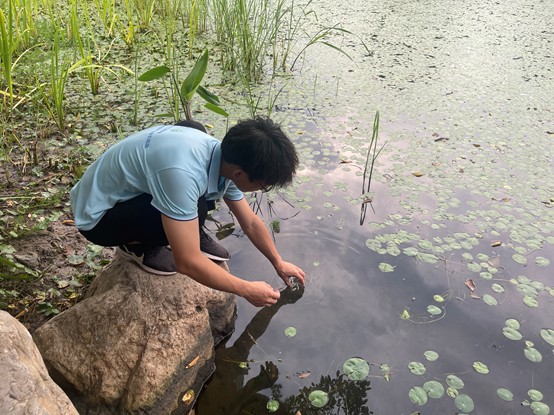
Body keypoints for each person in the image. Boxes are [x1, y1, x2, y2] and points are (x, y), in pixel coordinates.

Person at [69, 117, 305, 307]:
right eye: (263, 185)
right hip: (99, 219)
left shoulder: (225, 157)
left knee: (192, 128)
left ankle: (186, 229)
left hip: (128, 191)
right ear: (240, 174)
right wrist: (246, 289)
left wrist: (278, 262)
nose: (261, 190)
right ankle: (137, 246)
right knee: (196, 207)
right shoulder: (183, 174)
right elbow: (187, 262)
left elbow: (250, 223)